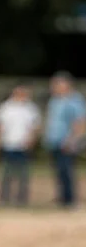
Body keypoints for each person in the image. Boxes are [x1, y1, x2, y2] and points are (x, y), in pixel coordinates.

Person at [0, 84, 42, 206]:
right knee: (7, 172)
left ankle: (22, 200)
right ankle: (4, 199)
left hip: (23, 146)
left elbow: (36, 127)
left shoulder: (31, 109)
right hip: (8, 144)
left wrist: (32, 140)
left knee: (23, 174)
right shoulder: (5, 108)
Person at [43, 71, 86, 208]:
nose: (53, 87)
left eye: (56, 84)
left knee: (67, 170)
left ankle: (70, 200)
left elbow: (80, 123)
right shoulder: (55, 100)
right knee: (58, 170)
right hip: (54, 141)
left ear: (66, 85)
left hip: (66, 142)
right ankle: (62, 197)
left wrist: (72, 140)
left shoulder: (74, 101)